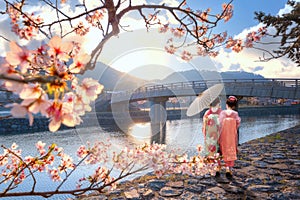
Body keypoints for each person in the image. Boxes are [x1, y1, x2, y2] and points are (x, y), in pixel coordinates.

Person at [219, 96, 241, 179]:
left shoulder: (223, 113)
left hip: (224, 134)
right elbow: (238, 123)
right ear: (234, 106)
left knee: (224, 149)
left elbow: (220, 123)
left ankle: (224, 165)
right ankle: (229, 168)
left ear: (226, 104)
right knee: (231, 148)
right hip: (231, 134)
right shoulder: (235, 114)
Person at [202, 97, 222, 176]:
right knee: (217, 152)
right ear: (218, 103)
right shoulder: (221, 112)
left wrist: (205, 135)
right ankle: (217, 169)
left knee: (210, 152)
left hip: (209, 136)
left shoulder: (207, 113)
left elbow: (204, 126)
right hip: (217, 135)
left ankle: (211, 169)